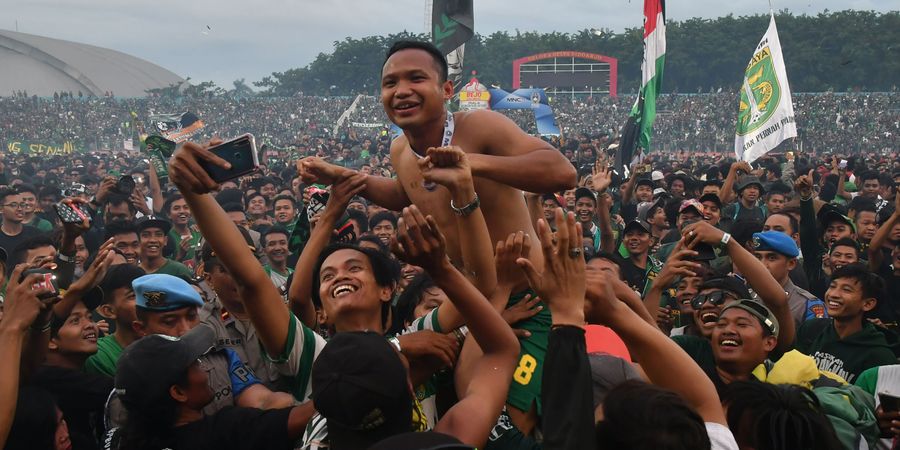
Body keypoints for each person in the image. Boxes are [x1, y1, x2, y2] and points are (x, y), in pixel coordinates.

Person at [300, 40, 576, 432]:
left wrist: (472, 164)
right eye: (390, 82)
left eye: (416, 78)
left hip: (528, 295)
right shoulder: (400, 150)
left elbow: (561, 171)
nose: (402, 91)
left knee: (510, 419)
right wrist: (344, 178)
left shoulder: (479, 126)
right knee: (464, 399)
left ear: (446, 90)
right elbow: (403, 192)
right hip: (472, 299)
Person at [108, 327, 310, 450]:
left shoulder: (118, 441)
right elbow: (306, 415)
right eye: (195, 363)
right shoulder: (227, 430)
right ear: (178, 392)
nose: (205, 368)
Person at [794, 263, 895, 383]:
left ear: (868, 304)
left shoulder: (880, 356)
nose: (833, 294)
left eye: (846, 290)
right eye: (832, 286)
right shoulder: (811, 330)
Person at [750, 231, 825, 328]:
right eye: (758, 257)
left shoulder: (806, 305)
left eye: (772, 258)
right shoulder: (745, 294)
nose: (762, 264)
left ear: (791, 264)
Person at [84, 265, 146, 377]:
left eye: (147, 293)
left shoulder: (169, 339)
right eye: (133, 296)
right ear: (109, 311)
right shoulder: (99, 355)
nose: (145, 300)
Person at [135, 215, 193, 279]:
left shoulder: (179, 270)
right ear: (137, 240)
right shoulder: (133, 273)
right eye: (146, 235)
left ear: (165, 240)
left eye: (158, 234)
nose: (153, 240)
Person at [0, 187, 41, 256]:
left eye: (22, 205)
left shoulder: (35, 235)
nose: (20, 209)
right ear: (1, 209)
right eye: (13, 205)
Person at [162, 194, 201, 264]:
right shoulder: (166, 239)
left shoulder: (199, 233)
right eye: (176, 208)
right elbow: (166, 269)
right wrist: (180, 256)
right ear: (168, 214)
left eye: (186, 207)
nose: (182, 211)